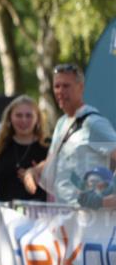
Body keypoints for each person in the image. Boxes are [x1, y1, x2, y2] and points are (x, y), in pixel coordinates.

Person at [23, 64, 116, 205]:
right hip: (62, 211)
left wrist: (106, 199)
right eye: (57, 86)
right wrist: (33, 171)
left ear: (81, 88)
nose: (60, 91)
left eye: (66, 86)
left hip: (89, 215)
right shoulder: (62, 123)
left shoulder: (93, 123)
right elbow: (53, 160)